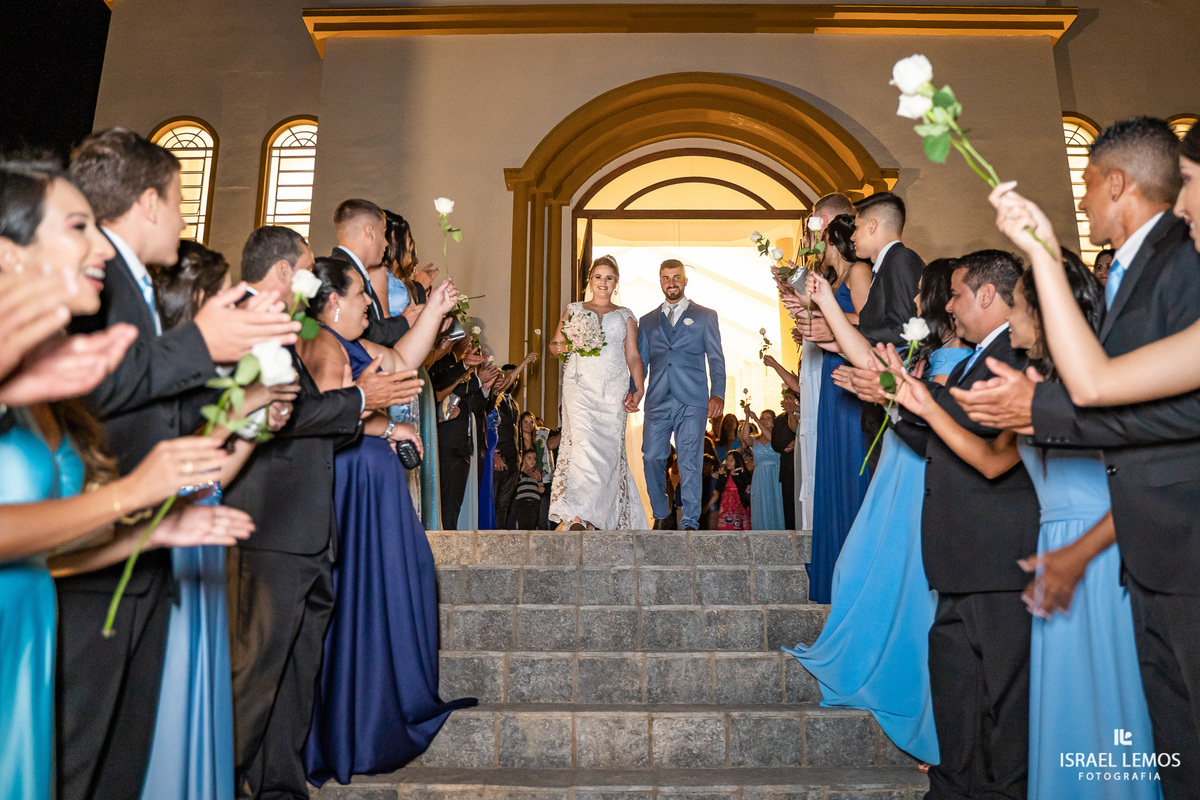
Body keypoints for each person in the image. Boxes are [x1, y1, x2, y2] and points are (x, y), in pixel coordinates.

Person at [956, 120, 1200, 797]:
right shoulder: (1140, 269)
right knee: (1174, 744)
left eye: (1088, 184)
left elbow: (1113, 393)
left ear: (1117, 183)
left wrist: (1041, 410)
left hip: (1178, 536)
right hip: (1146, 547)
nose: (1185, 205)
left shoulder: (1179, 264)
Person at [0, 161, 253, 798]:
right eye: (79, 226)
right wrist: (132, 494)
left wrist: (157, 529)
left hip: (32, 631)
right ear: (9, 254)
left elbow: (49, 553)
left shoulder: (42, 380)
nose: (97, 247)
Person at [60, 128, 298, 800]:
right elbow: (90, 387)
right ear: (148, 203)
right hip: (102, 547)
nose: (187, 214)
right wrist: (202, 342)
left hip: (145, 540)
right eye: (180, 198)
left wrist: (242, 403)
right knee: (82, 756)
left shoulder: (128, 277)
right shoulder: (97, 274)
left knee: (121, 755)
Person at [891, 256, 1158, 799]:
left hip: (1091, 553)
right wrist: (921, 402)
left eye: (1018, 305)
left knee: (1089, 705)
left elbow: (1132, 480)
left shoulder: (1076, 384)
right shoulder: (1032, 381)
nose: (1010, 316)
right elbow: (991, 457)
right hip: (1050, 546)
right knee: (1043, 712)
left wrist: (1079, 553)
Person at [222, 226, 422, 800]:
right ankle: (214, 779)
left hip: (309, 529)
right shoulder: (254, 329)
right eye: (308, 268)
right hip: (274, 529)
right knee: (255, 677)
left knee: (294, 675)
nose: (313, 280)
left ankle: (281, 786)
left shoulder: (285, 332)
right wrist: (362, 400)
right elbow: (287, 418)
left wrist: (358, 404)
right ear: (284, 272)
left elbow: (303, 416)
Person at [785, 256, 967, 767]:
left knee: (903, 582)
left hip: (918, 479)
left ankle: (914, 690)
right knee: (854, 568)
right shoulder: (927, 357)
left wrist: (889, 393)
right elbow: (864, 357)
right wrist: (822, 302)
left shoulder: (964, 363)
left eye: (922, 296)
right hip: (898, 468)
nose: (912, 302)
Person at [299, 257, 475, 784]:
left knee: (408, 578)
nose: (369, 306)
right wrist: (378, 425)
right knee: (369, 595)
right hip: (354, 490)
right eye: (360, 298)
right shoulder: (325, 345)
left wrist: (437, 308)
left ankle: (382, 707)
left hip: (373, 488)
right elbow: (328, 414)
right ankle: (363, 724)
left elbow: (401, 359)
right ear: (333, 302)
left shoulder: (348, 341)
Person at [142, 240, 299, 800]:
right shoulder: (157, 376)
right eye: (225, 291)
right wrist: (241, 409)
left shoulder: (209, 372)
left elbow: (212, 479)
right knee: (170, 693)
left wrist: (256, 420)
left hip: (204, 537)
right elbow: (170, 481)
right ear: (198, 299)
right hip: (167, 545)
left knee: (207, 686)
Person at [889, 250, 1040, 799]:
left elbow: (991, 455)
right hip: (963, 555)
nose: (947, 307)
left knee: (1004, 709)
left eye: (954, 294)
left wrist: (919, 403)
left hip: (1000, 553)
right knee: (960, 698)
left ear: (985, 295)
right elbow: (949, 432)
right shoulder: (981, 354)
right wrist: (902, 404)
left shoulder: (1018, 356)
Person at [795, 214, 871, 603]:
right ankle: (836, 562)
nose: (818, 248)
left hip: (849, 367)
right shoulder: (838, 281)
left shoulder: (858, 272)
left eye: (822, 241)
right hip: (831, 370)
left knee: (850, 460)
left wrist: (828, 320)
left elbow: (871, 321)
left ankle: (855, 563)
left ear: (835, 240)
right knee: (833, 464)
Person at [547, 255, 646, 530]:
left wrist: (638, 389)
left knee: (607, 452)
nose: (603, 282)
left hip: (613, 387)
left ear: (616, 282)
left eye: (609, 277)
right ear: (590, 279)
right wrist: (566, 346)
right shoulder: (574, 309)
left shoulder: (625, 315)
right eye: (598, 276)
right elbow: (555, 346)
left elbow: (634, 356)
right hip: (579, 385)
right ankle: (579, 515)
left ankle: (597, 516)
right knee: (582, 446)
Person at [634, 258, 725, 531]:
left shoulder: (705, 316)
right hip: (658, 399)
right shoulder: (647, 321)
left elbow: (716, 360)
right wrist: (633, 392)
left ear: (685, 281)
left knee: (689, 459)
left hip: (693, 399)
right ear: (660, 281)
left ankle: (689, 520)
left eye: (676, 277)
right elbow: (641, 362)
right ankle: (662, 512)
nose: (671, 282)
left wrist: (717, 393)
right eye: (665, 277)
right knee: (651, 456)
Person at [330, 198, 410, 347]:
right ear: (369, 231)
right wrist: (405, 322)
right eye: (383, 232)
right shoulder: (340, 274)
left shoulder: (353, 270)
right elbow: (362, 334)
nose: (386, 243)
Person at [740, 410, 784, 530]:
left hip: (774, 475)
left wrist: (757, 420)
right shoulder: (755, 441)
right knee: (761, 505)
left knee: (774, 503)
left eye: (768, 418)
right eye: (762, 418)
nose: (764, 421)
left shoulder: (778, 438)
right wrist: (748, 416)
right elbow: (745, 437)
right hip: (759, 477)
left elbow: (772, 439)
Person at [712, 450, 751, 530]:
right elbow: (719, 489)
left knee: (738, 524)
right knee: (727, 525)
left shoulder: (742, 473)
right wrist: (721, 477)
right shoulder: (726, 474)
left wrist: (736, 476)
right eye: (727, 460)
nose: (728, 462)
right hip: (726, 503)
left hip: (738, 502)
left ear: (737, 461)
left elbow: (743, 487)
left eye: (731, 460)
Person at [509, 450, 544, 529]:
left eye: (534, 458)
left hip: (534, 501)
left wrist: (541, 488)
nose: (532, 461)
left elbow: (541, 486)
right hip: (522, 501)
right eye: (529, 458)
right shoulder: (520, 473)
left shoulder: (537, 474)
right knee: (522, 522)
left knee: (532, 522)